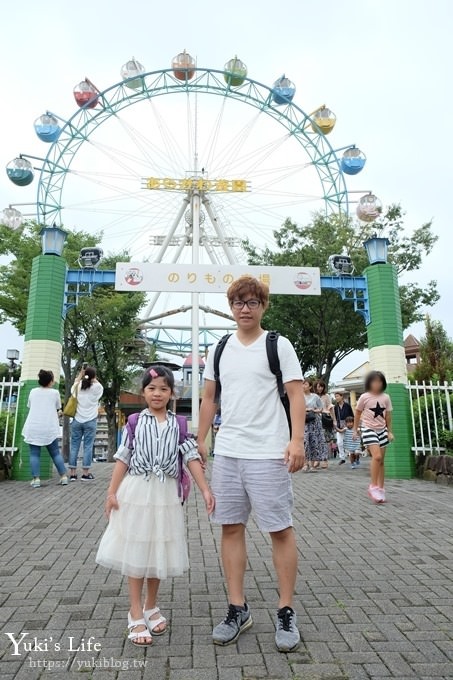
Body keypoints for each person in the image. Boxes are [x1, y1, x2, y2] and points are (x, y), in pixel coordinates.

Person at [198, 276, 305, 653]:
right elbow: (209, 397)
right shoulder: (220, 348)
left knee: (279, 530)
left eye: (252, 302)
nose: (245, 308)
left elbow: (295, 394)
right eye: (239, 302)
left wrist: (296, 441)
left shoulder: (279, 345)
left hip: (268, 451)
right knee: (230, 528)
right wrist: (201, 439)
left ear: (263, 306)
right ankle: (237, 608)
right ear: (231, 307)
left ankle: (286, 610)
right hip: (229, 451)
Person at [96, 366, 214, 646]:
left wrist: (206, 490)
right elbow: (123, 458)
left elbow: (191, 459)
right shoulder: (135, 422)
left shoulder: (180, 424)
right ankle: (135, 612)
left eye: (163, 388)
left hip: (165, 496)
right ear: (143, 393)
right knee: (137, 549)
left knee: (158, 550)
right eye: (151, 388)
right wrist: (111, 492)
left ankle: (151, 606)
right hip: (136, 491)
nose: (157, 393)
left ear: (172, 393)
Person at [22, 369, 68, 488]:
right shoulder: (55, 393)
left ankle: (36, 479)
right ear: (51, 381)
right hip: (48, 427)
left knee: (34, 454)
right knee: (55, 453)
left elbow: (30, 405)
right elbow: (58, 407)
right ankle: (63, 477)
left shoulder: (33, 391)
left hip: (33, 426)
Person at [353, 370, 394, 503]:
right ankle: (373, 486)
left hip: (382, 430)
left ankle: (381, 490)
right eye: (374, 381)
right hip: (368, 429)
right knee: (376, 457)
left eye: (379, 381)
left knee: (381, 461)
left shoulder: (386, 397)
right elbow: (358, 413)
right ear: (369, 383)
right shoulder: (364, 397)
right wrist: (355, 430)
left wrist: (389, 431)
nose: (377, 384)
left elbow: (388, 416)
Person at [69, 366, 104, 481]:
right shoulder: (97, 387)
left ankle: (73, 474)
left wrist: (80, 376)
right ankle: (85, 473)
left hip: (77, 420)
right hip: (90, 421)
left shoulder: (78, 386)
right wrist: (92, 377)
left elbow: (73, 387)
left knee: (74, 446)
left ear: (84, 375)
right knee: (88, 447)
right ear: (94, 376)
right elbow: (98, 384)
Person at [302, 379, 327, 472]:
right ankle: (305, 464)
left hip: (314, 422)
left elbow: (321, 408)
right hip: (304, 422)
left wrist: (313, 410)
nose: (303, 386)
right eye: (302, 384)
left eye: (305, 384)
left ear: (310, 386)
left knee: (314, 442)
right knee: (305, 442)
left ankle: (312, 465)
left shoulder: (315, 397)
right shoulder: (299, 396)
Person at [315, 380, 335, 467]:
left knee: (324, 440)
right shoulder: (313, 396)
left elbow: (330, 407)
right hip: (315, 418)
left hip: (324, 418)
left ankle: (325, 460)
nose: (320, 388)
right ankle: (317, 459)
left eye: (321, 386)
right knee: (316, 440)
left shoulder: (326, 396)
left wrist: (334, 420)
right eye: (318, 386)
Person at [334, 392, 354, 465]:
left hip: (348, 426)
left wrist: (352, 425)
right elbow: (335, 417)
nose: (336, 398)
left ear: (341, 396)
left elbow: (352, 415)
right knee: (339, 442)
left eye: (337, 396)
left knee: (350, 442)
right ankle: (342, 458)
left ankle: (353, 456)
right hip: (340, 426)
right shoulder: (335, 407)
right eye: (335, 396)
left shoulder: (347, 405)